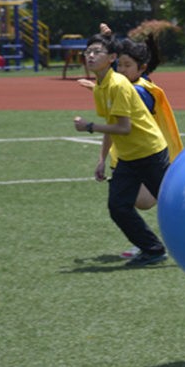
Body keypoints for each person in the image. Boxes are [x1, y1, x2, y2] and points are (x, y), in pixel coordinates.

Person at [72, 34, 171, 267]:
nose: (91, 56)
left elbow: (123, 128)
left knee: (173, 204)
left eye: (97, 52)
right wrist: (101, 158)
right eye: (88, 52)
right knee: (118, 207)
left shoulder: (118, 85)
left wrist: (89, 127)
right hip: (129, 157)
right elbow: (112, 125)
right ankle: (153, 249)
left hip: (150, 152)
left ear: (112, 58)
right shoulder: (101, 87)